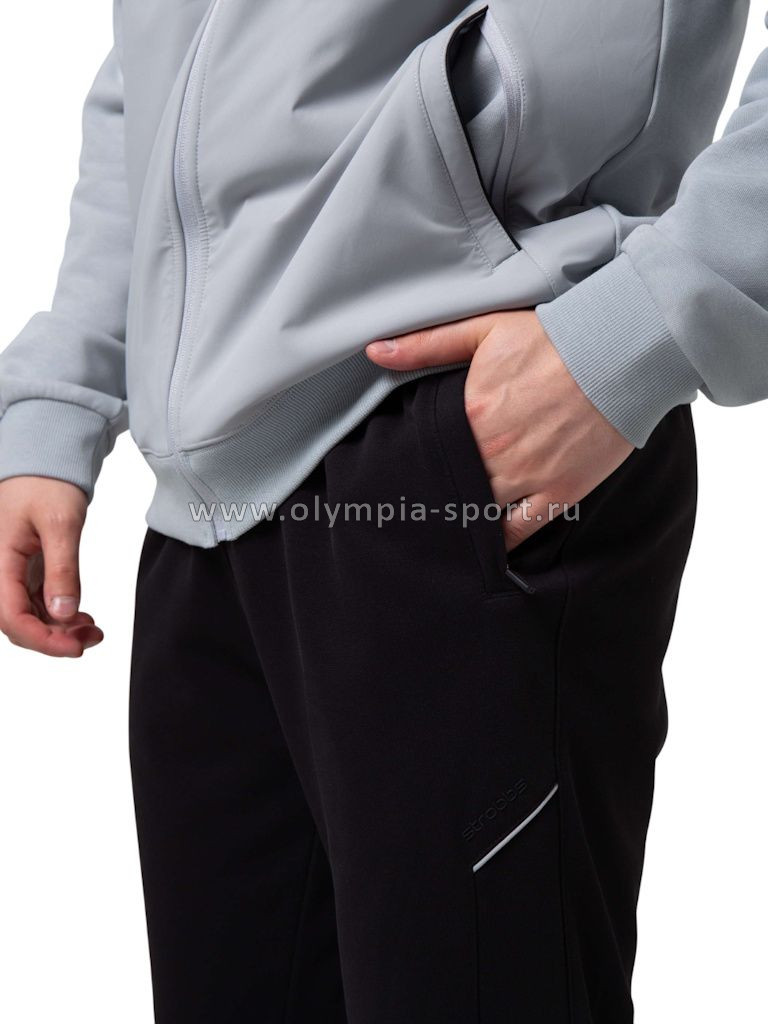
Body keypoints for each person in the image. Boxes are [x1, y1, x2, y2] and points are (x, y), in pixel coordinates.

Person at [1, 1, 766, 1020]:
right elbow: (154, 65)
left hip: (463, 435)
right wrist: (71, 377)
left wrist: (661, 310)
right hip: (205, 506)